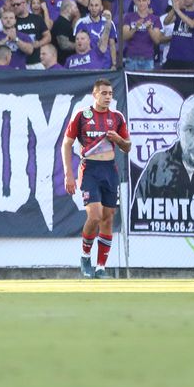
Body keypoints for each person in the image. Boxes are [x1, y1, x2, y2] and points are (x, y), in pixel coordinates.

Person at [61, 78, 130, 278]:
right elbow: (66, 144)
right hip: (90, 168)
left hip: (110, 169)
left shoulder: (117, 117)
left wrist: (118, 139)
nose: (108, 97)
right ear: (94, 94)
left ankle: (101, 267)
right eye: (104, 93)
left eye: (110, 93)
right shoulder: (82, 115)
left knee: (108, 218)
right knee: (95, 216)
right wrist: (68, 173)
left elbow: (127, 146)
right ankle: (85, 256)